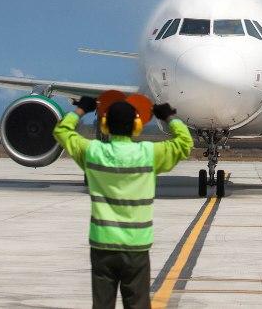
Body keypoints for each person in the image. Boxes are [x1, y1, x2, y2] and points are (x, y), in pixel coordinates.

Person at [54, 91, 193, 309]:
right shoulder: (149, 153)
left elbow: (61, 131)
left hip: (102, 246)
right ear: (137, 126)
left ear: (106, 126)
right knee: (137, 304)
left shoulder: (93, 151)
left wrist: (81, 110)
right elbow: (185, 142)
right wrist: (168, 117)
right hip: (136, 247)